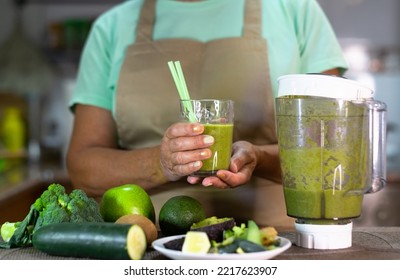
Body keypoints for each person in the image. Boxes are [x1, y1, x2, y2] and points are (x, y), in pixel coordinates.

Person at [66, 0, 347, 228]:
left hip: (277, 241)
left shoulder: (296, 11)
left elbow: (330, 155)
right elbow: (83, 168)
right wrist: (162, 162)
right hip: (152, 246)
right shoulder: (112, 27)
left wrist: (259, 158)